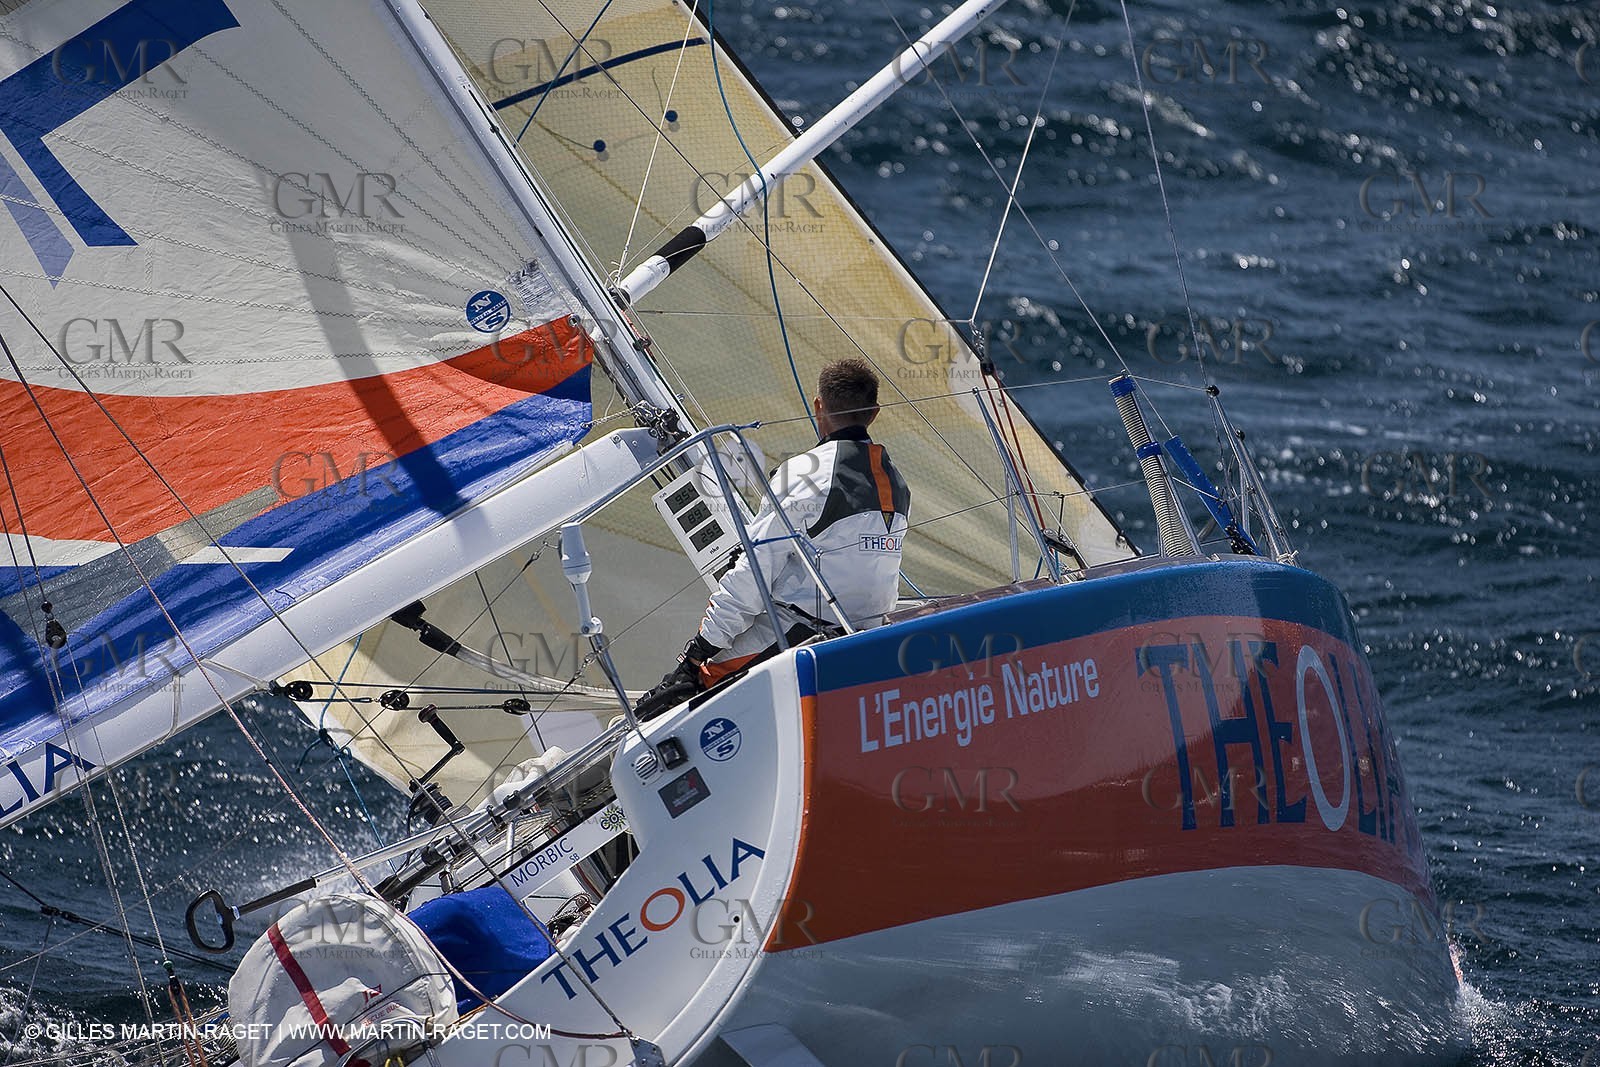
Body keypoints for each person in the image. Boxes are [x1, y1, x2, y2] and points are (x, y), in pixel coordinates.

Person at [636, 358, 910, 720]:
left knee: (679, 697)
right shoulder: (898, 482)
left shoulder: (803, 474)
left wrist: (698, 654)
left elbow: (753, 573)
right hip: (865, 641)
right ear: (874, 414)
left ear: (818, 406)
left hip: (801, 635)